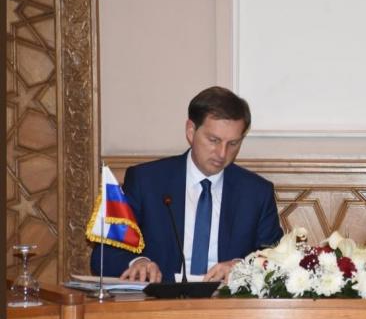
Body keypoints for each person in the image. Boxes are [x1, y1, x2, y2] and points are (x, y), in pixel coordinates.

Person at [90, 86, 283, 283]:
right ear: (191, 131)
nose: (222, 153)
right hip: (160, 298)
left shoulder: (256, 193)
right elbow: (104, 254)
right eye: (214, 140)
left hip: (226, 299)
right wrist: (138, 262)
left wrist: (242, 267)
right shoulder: (146, 182)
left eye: (233, 144)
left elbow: (279, 259)